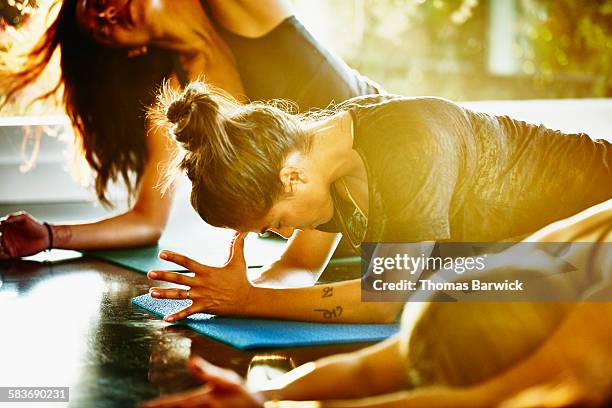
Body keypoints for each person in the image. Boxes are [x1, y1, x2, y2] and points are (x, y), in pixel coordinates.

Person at [140, 81, 611, 323]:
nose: (282, 234)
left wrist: (247, 302)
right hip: (555, 254)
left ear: (293, 179)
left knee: (453, 289)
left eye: (276, 221)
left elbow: (384, 299)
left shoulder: (408, 145)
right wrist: (230, 289)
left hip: (598, 236)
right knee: (450, 280)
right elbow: (299, 265)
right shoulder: (322, 159)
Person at [0, 0, 381, 265]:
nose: (109, 13)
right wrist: (48, 236)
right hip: (335, 244)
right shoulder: (178, 103)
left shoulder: (242, 9)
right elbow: (147, 221)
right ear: (129, 51)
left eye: (99, 1)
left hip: (403, 163)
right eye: (101, 28)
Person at [141, 198, 612, 408]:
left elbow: (480, 398)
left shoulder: (588, 345)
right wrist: (265, 395)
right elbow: (367, 371)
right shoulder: (525, 269)